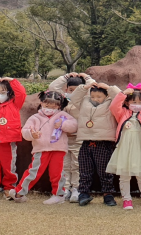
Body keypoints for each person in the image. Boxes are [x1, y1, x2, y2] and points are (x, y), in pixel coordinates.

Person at [10, 91, 77, 204]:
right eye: (47, 105)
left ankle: (59, 195)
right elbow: (25, 131)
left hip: (58, 149)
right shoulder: (35, 118)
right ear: (41, 103)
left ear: (59, 105)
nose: (50, 108)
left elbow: (74, 125)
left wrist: (62, 125)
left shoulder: (62, 116)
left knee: (57, 173)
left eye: (54, 106)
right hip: (40, 149)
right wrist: (32, 135)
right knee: (33, 172)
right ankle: (19, 192)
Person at [107, 83, 141, 210]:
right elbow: (114, 106)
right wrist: (123, 94)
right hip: (124, 147)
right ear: (127, 103)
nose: (137, 104)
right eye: (134, 101)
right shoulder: (122, 113)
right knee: (124, 175)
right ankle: (126, 199)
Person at [70, 81, 121, 206]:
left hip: (103, 142)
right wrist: (84, 87)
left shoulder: (111, 104)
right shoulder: (84, 103)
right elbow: (74, 98)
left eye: (99, 97)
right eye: (93, 96)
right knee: (84, 170)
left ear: (106, 96)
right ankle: (84, 193)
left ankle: (108, 194)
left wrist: (109, 88)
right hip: (86, 142)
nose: (95, 99)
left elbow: (121, 98)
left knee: (105, 171)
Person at [48, 72, 95, 203]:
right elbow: (53, 87)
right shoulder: (62, 101)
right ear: (66, 90)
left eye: (76, 90)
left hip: (79, 138)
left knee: (77, 164)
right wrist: (66, 77)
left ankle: (76, 189)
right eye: (70, 90)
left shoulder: (84, 102)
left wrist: (86, 78)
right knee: (63, 165)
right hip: (62, 138)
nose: (72, 93)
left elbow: (92, 85)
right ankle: (65, 189)